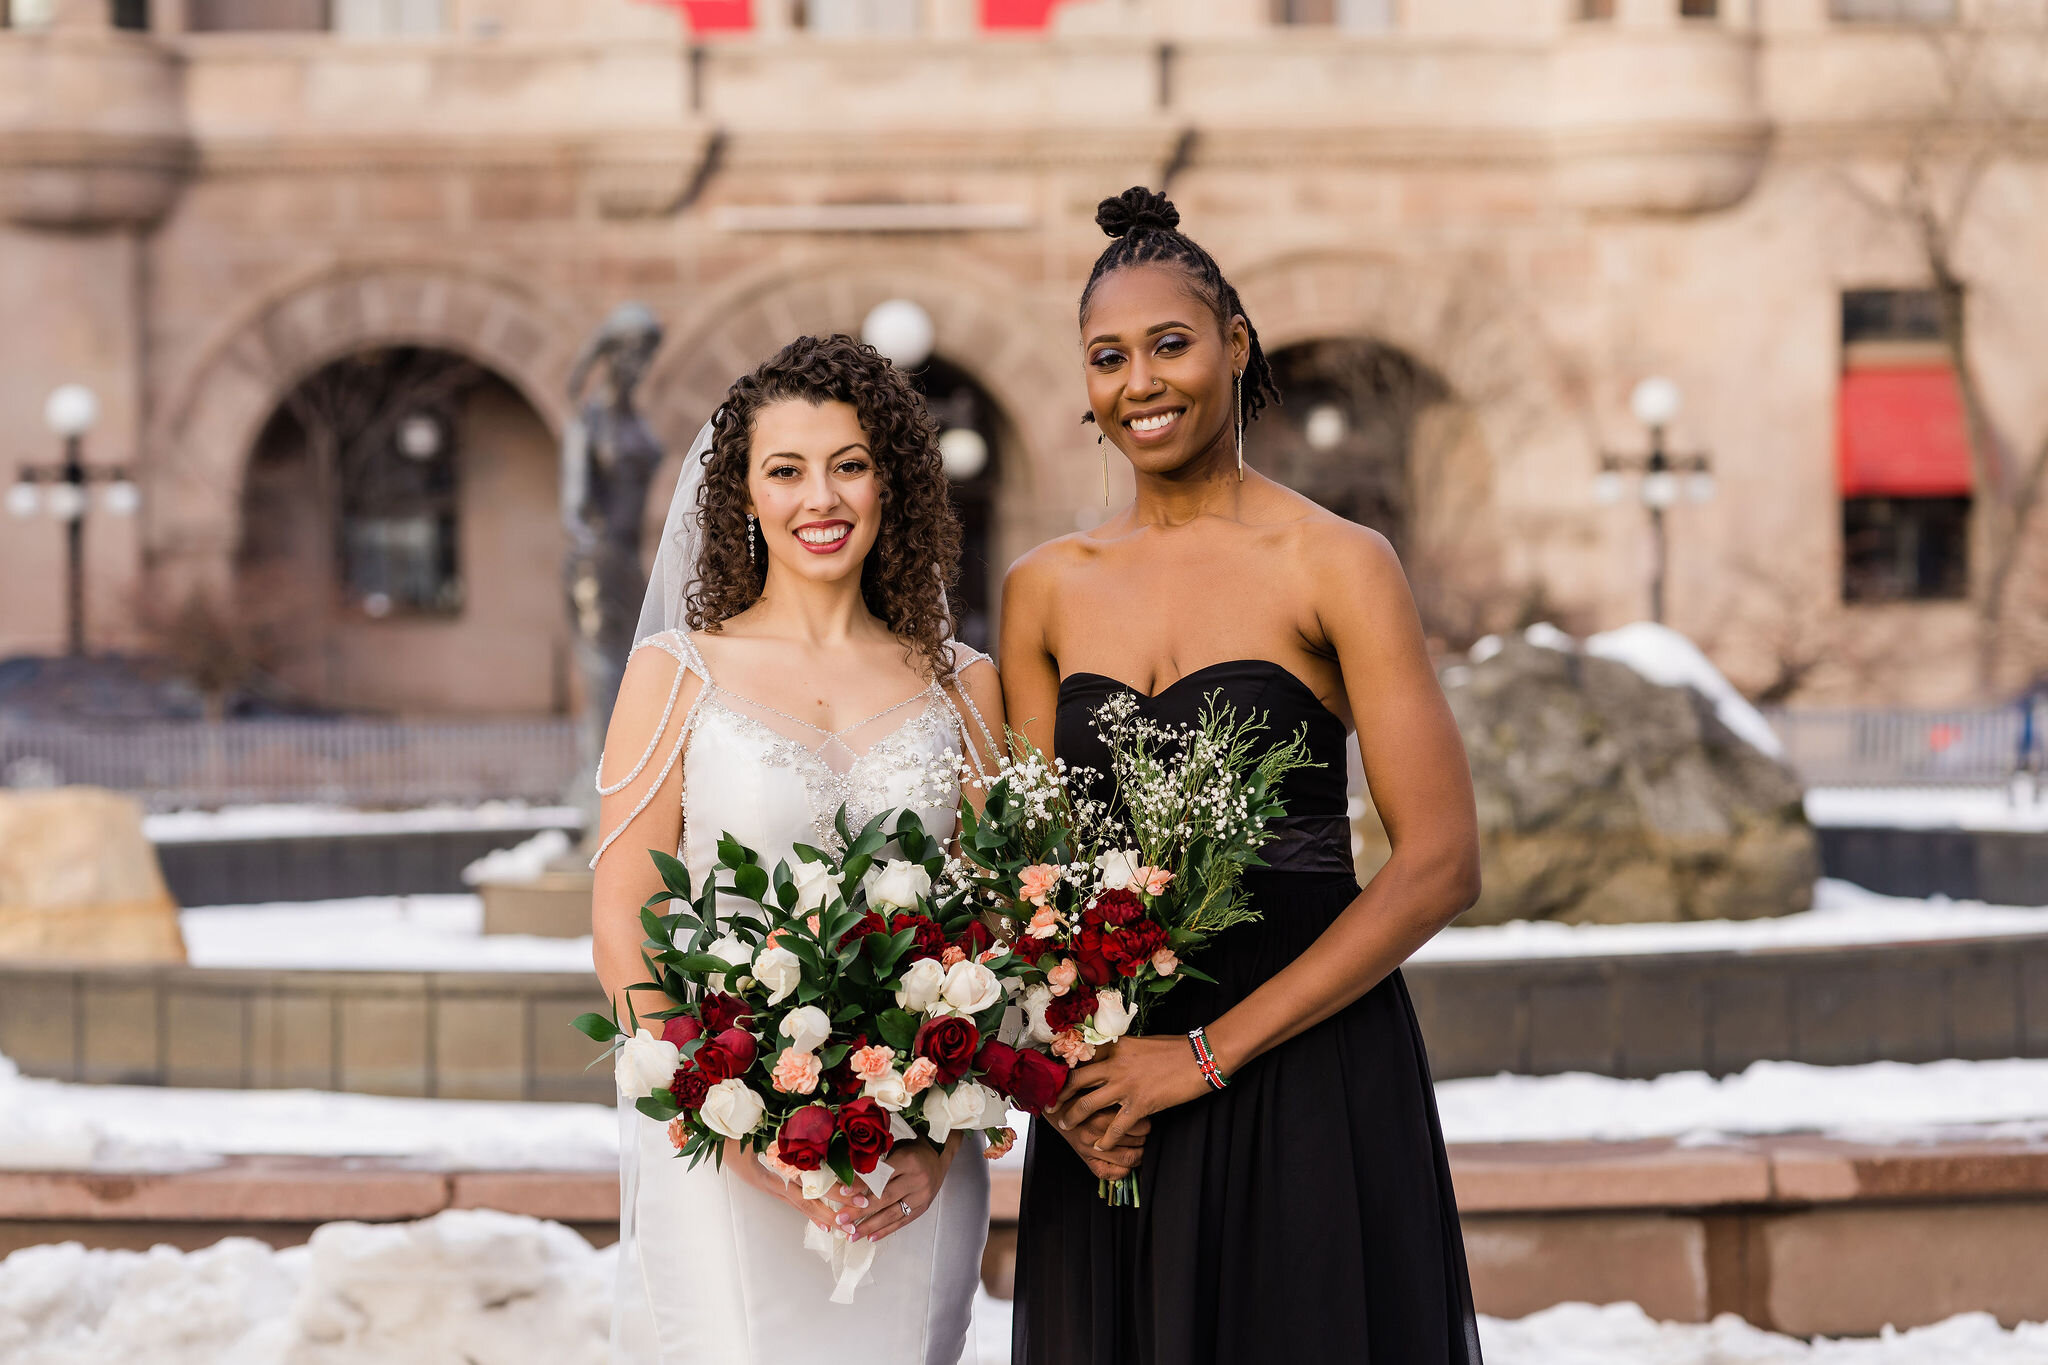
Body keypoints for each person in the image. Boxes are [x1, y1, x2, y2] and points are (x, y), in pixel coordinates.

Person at [1001, 187, 1486, 1364]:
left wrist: (1204, 1058)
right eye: (1107, 357)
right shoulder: (1043, 587)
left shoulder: (1337, 562)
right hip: (1109, 1094)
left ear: (1235, 345)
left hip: (1304, 1073)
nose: (1140, 381)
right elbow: (1021, 873)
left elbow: (1438, 864)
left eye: (1169, 343)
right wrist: (1059, 1077)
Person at [589, 334, 1006, 1365]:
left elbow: (993, 925)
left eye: (848, 464)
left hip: (908, 1154)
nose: (819, 498)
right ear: (742, 493)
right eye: (785, 470)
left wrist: (942, 1138)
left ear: (891, 485)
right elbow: (620, 918)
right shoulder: (676, 672)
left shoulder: (965, 683)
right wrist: (721, 1119)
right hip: (721, 1144)